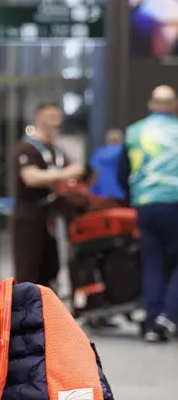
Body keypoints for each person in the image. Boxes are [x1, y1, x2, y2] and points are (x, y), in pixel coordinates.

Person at [118, 85, 178, 342]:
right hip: (175, 203)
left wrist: (133, 198)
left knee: (152, 263)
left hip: (145, 205)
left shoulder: (135, 132)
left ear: (151, 105)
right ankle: (169, 316)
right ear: (174, 105)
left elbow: (123, 171)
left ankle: (152, 323)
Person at [11, 101, 84, 287]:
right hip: (30, 218)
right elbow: (31, 177)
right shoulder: (26, 148)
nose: (56, 123)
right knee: (29, 270)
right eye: (51, 117)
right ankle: (24, 313)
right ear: (39, 118)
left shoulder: (57, 151)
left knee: (51, 269)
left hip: (53, 218)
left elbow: (75, 171)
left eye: (58, 118)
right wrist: (64, 174)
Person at [89, 128, 126, 203]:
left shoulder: (99, 152)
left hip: (101, 194)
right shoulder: (124, 151)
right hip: (121, 193)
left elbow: (95, 173)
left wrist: (91, 189)